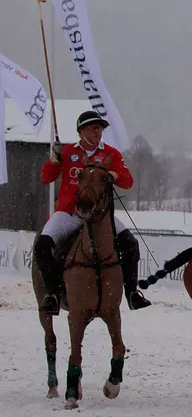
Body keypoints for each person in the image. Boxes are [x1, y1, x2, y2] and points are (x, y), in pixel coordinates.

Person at [35, 111, 151, 315]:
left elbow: (128, 181)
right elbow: (46, 178)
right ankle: (52, 294)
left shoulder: (111, 154)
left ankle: (132, 293)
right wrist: (54, 160)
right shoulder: (67, 152)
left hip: (99, 218)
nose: (98, 132)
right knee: (42, 245)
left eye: (100, 128)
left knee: (131, 244)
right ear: (81, 131)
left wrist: (114, 175)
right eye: (93, 128)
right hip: (69, 214)